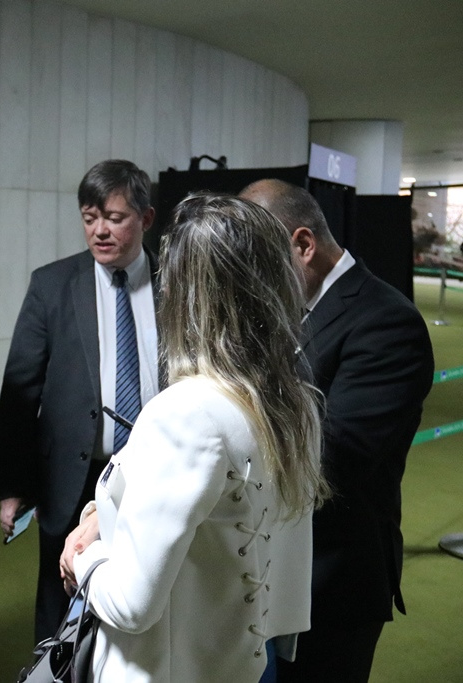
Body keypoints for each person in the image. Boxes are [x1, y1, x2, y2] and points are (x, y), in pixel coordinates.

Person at [60, 193, 326, 682]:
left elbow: (130, 606)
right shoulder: (296, 402)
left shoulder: (186, 413)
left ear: (183, 293)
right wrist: (103, 514)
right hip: (247, 661)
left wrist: (84, 558)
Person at [239, 179, 434, 682]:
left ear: (303, 245)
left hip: (332, 584)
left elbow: (331, 459)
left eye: (259, 262)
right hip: (264, 571)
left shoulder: (388, 323)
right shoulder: (282, 310)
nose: (251, 279)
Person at [0, 159, 161, 641]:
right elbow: (21, 391)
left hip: (157, 471)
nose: (99, 231)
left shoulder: (179, 282)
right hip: (72, 474)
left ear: (146, 218)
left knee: (149, 594)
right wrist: (13, 486)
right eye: (90, 218)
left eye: (115, 218)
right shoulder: (52, 285)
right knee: (60, 601)